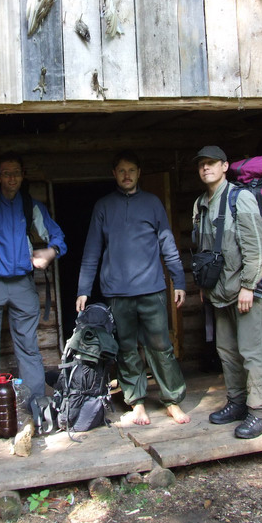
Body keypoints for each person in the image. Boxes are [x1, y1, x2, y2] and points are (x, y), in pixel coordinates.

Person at [76, 150, 189, 425]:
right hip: (117, 293)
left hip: (152, 289)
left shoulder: (153, 203)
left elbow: (168, 244)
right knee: (126, 349)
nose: (127, 175)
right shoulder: (103, 206)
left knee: (161, 347)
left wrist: (179, 281)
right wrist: (83, 289)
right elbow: (92, 250)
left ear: (139, 173)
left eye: (131, 170)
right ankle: (136, 402)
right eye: (121, 170)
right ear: (114, 174)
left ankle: (172, 400)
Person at [0, 152, 67, 428]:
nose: (12, 178)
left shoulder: (31, 206)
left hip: (22, 284)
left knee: (28, 347)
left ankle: (36, 402)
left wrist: (50, 252)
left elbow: (58, 237)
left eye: (16, 173)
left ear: (23, 175)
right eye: (6, 173)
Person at [192, 145, 262, 439]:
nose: (206, 168)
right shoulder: (200, 204)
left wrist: (248, 286)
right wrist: (204, 287)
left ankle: (260, 413)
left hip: (244, 292)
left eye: (212, 163)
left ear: (225, 166)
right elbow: (203, 251)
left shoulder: (241, 199)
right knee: (227, 352)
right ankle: (238, 402)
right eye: (202, 164)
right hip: (218, 293)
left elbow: (256, 247)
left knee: (251, 353)